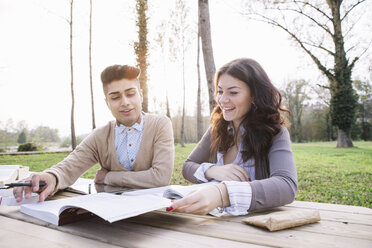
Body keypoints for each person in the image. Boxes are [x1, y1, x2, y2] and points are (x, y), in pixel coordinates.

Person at [14, 64, 174, 202]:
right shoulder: (100, 135)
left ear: (140, 94)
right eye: (115, 97)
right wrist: (51, 177)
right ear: (107, 102)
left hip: (155, 215)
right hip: (110, 217)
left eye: (130, 94)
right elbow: (69, 166)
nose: (125, 102)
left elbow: (161, 177)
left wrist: (109, 177)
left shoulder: (161, 124)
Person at [169, 58, 297, 215]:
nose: (222, 100)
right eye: (220, 91)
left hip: (252, 226)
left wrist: (222, 193)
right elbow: (188, 166)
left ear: (254, 96)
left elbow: (287, 185)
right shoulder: (216, 130)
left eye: (233, 92)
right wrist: (214, 171)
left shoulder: (275, 132)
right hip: (213, 223)